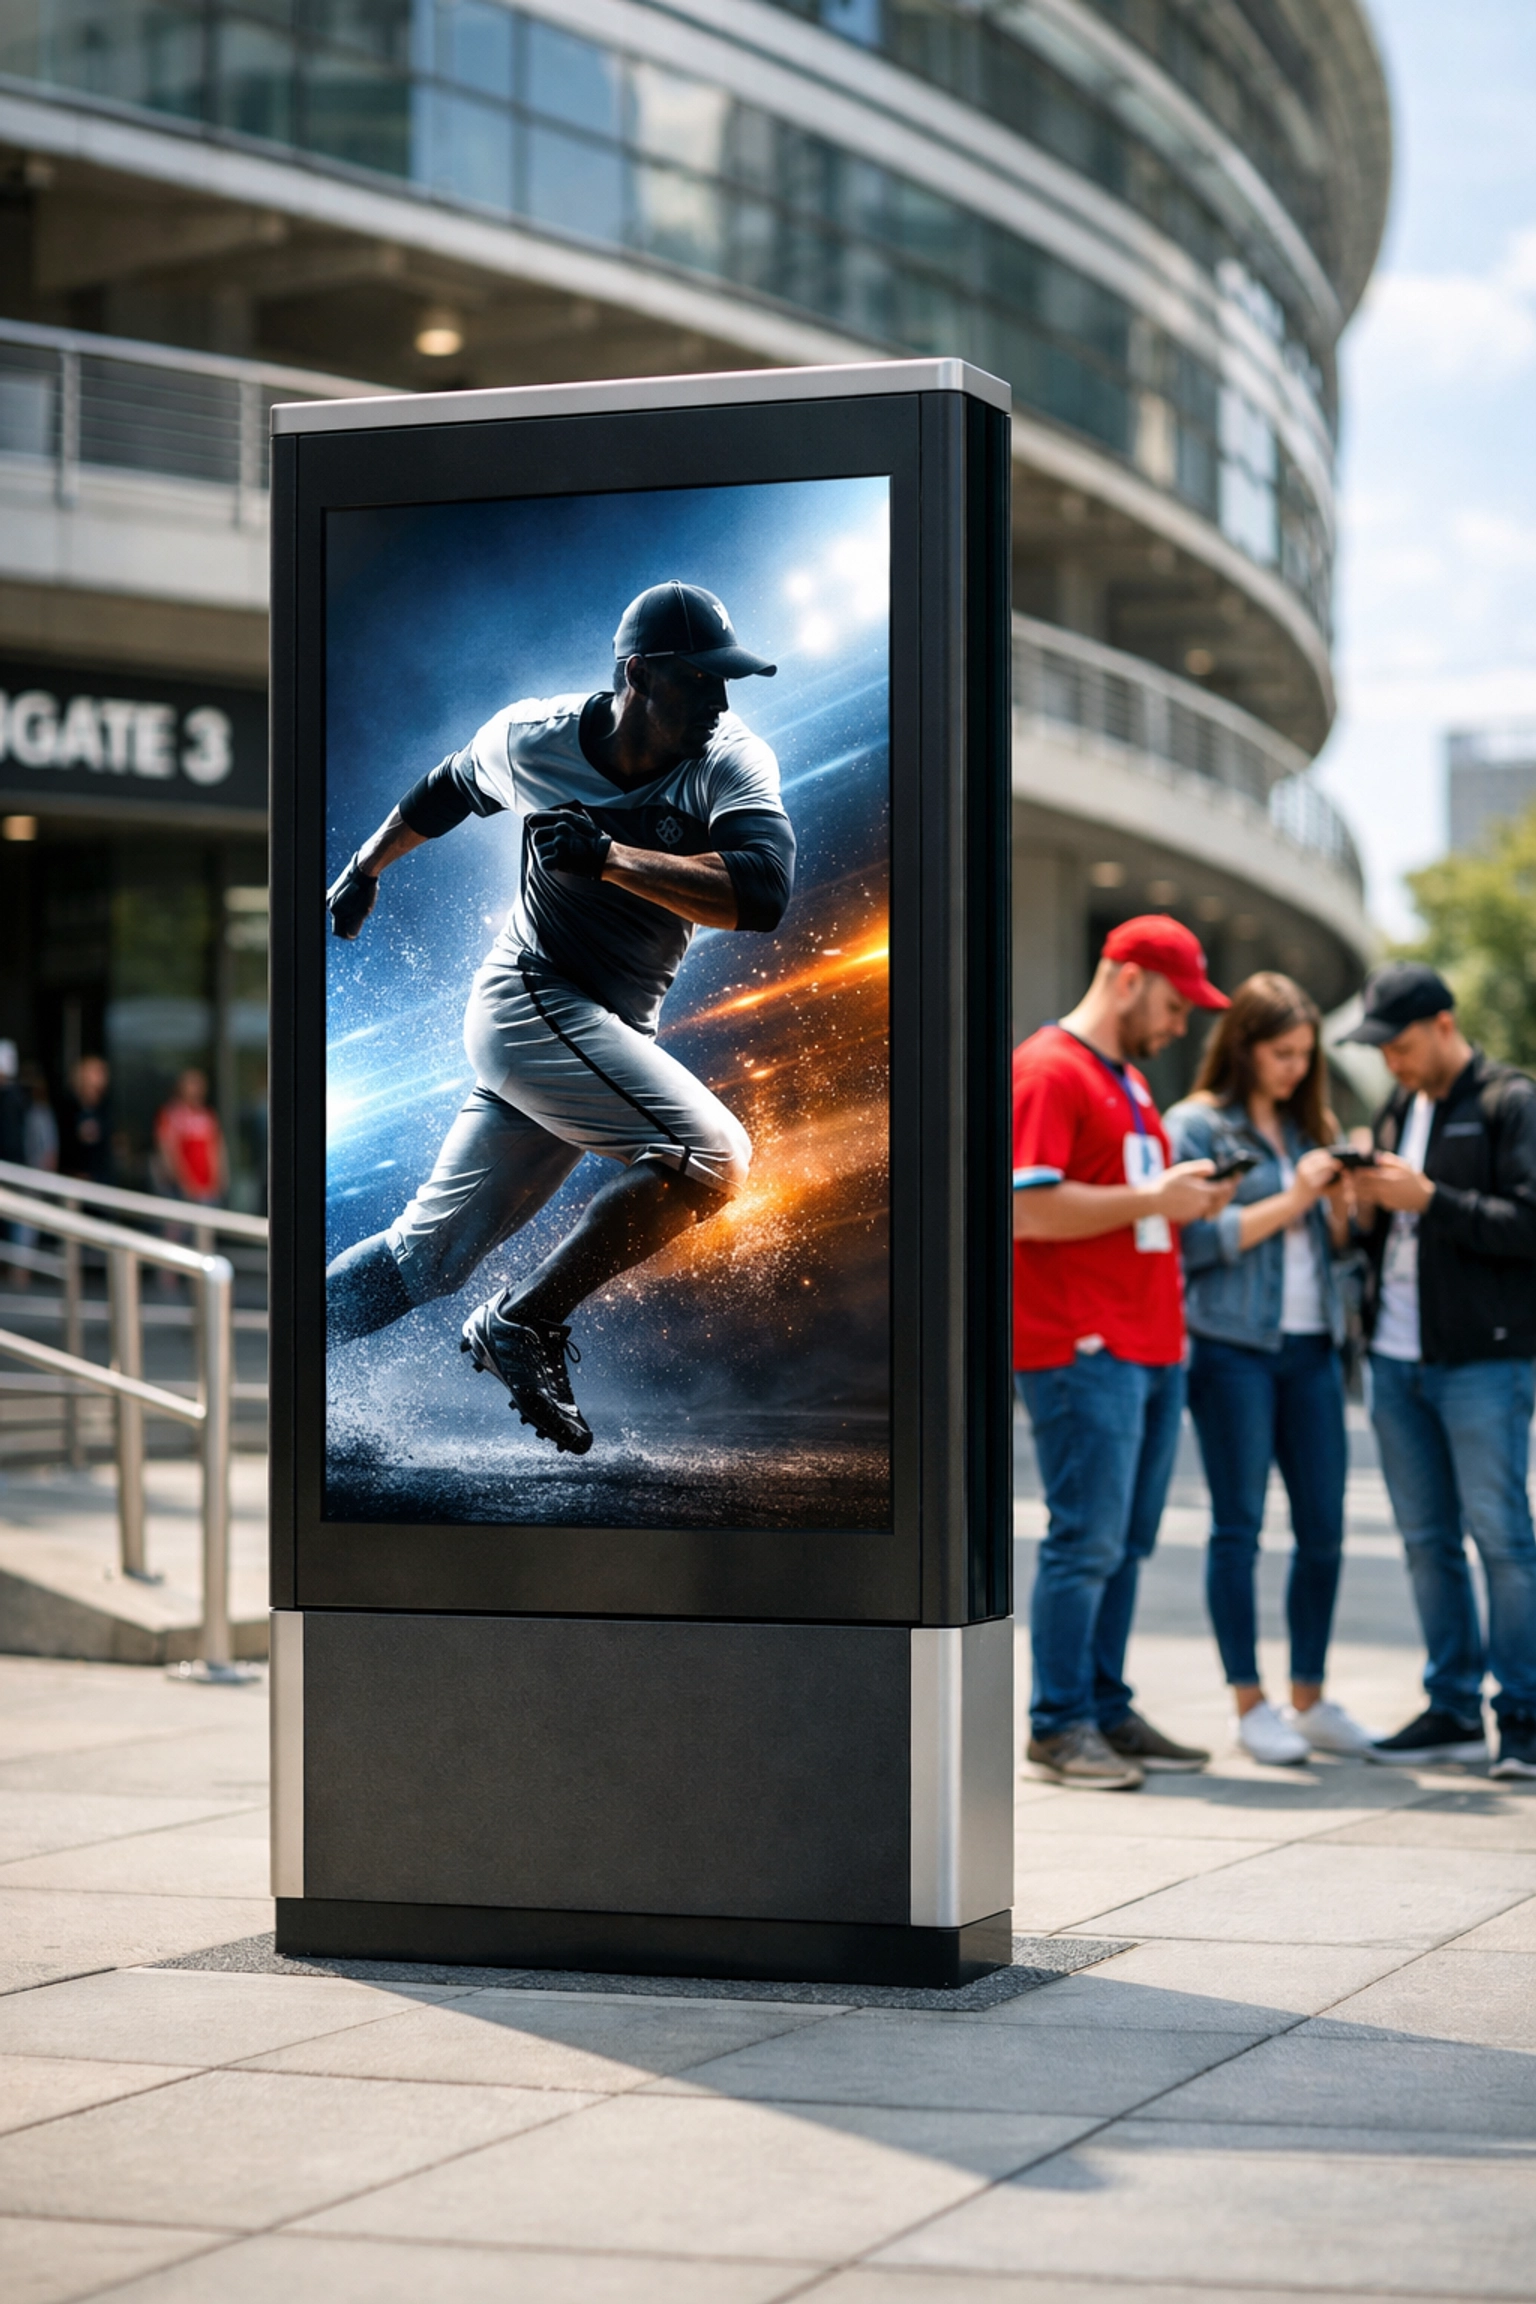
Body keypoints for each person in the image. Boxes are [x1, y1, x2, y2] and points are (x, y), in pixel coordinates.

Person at [324, 581, 794, 1457]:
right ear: (638, 674)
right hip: (530, 999)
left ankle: (283, 1354)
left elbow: (763, 893)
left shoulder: (729, 759)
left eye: (726, 681)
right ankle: (523, 1323)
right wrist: (364, 868)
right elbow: (445, 789)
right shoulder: (533, 738)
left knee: (424, 1260)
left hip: (597, 1034)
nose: (720, 701)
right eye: (699, 679)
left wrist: (611, 856)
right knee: (712, 1155)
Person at [1014, 915, 1235, 1788]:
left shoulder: (1130, 1080)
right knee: (1087, 1541)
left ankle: (1103, 1707)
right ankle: (1059, 1725)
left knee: (1126, 1542)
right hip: (1084, 1345)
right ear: (1131, 978)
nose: (1182, 1025)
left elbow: (1132, 1206)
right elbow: (1025, 1209)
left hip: (1147, 1344)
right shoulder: (1047, 1068)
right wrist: (1154, 1200)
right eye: (1178, 1006)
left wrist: (1186, 1204)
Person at [1167, 974, 1373, 1765]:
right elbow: (1195, 1243)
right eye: (1282, 1053)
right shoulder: (1196, 1126)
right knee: (1239, 1528)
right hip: (1231, 1348)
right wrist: (1293, 1197)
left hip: (1313, 1347)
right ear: (1244, 1046)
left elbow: (1335, 1249)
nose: (1295, 1068)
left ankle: (1309, 1698)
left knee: (1324, 1528)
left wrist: (1345, 1201)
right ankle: (1249, 1705)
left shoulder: (1308, 1126)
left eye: (1304, 1055)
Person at [1340, 962, 1536, 1779]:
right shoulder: (1400, 1105)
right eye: (1382, 1049)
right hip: (1395, 1359)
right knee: (1426, 1542)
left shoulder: (1509, 1101)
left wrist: (1433, 1201)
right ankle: (1451, 1707)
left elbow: (1529, 1223)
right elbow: (1387, 1235)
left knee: (1502, 1539)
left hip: (1483, 1360)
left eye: (1401, 1044)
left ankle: (1522, 1719)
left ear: (1445, 1025)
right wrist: (1362, 1203)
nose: (1392, 1060)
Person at [154, 1068, 228, 1207]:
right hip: (183, 1192)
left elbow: (217, 1149)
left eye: (199, 1084)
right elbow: (170, 1153)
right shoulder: (171, 1115)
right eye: (192, 1083)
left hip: (209, 1191)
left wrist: (219, 1179)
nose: (197, 1088)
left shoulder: (208, 1115)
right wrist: (185, 1184)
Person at [59, 1055, 113, 1185]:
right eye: (96, 1072)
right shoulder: (67, 1111)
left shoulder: (106, 1111)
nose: (101, 1079)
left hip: (100, 1183)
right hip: (73, 1183)